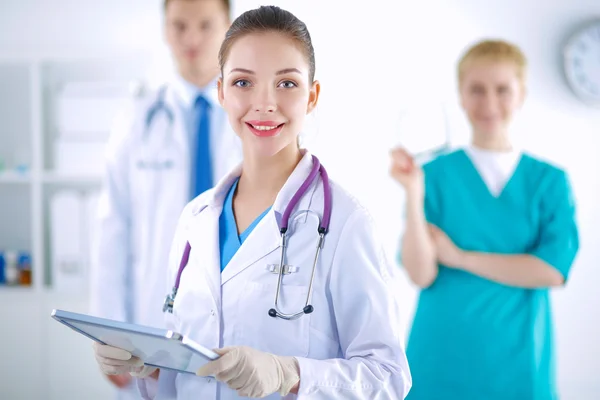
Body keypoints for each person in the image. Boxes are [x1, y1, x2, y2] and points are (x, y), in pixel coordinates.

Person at [92, 5, 412, 399]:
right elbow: (189, 371)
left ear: (312, 96)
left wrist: (289, 374)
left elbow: (388, 377)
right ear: (222, 91)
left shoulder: (346, 223)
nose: (265, 103)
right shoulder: (195, 220)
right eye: (244, 83)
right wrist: (149, 366)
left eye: (287, 84)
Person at [390, 39, 580, 399]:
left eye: (502, 90)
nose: (489, 103)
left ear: (521, 94)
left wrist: (460, 258)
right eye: (476, 90)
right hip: (440, 356)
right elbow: (421, 273)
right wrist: (413, 194)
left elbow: (552, 271)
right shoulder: (431, 176)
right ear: (460, 95)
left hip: (519, 362)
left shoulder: (549, 182)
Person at [89, 0, 241, 398]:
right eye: (179, 26)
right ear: (164, 28)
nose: (191, 38)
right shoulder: (137, 118)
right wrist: (110, 328)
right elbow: (113, 227)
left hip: (238, 319)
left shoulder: (255, 115)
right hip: (152, 324)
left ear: (229, 28)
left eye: (205, 25)